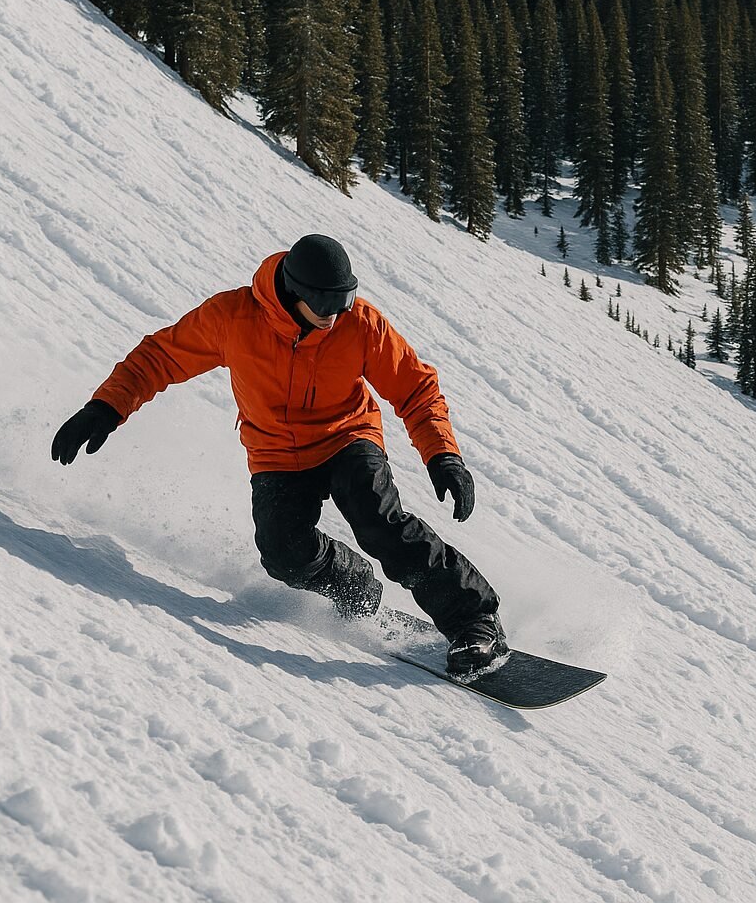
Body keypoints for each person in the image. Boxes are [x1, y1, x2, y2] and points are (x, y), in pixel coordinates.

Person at [51, 234, 507, 676]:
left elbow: (416, 389)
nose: (335, 315)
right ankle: (354, 585)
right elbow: (159, 358)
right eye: (325, 305)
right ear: (295, 293)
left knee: (379, 523)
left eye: (343, 302)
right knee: (283, 554)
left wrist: (442, 455)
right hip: (275, 452)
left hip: (347, 436)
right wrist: (106, 407)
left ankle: (473, 621)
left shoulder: (361, 324)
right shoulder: (233, 318)